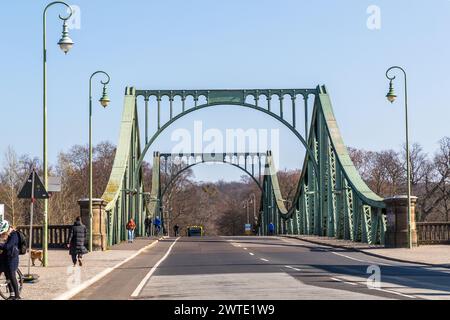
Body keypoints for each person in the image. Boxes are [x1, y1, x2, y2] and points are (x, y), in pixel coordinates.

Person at [0, 220, 21, 300]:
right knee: (7, 276)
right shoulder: (6, 234)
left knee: (12, 276)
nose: (2, 234)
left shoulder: (14, 235)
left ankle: (17, 296)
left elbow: (7, 247)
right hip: (5, 257)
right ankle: (12, 294)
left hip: (12, 258)